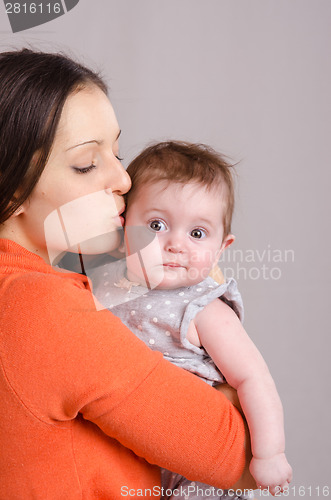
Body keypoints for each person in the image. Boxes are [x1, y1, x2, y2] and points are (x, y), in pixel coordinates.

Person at [0, 49, 256, 499]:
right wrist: (206, 311)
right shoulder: (41, 308)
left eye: (117, 152)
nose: (122, 179)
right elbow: (238, 461)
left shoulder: (47, 285)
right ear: (13, 188)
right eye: (87, 163)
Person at [91, 142, 293, 498]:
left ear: (221, 248)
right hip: (123, 451)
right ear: (124, 229)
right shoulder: (101, 282)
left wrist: (270, 453)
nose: (175, 244)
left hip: (192, 465)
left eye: (196, 233)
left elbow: (253, 379)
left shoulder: (204, 308)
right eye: (156, 224)